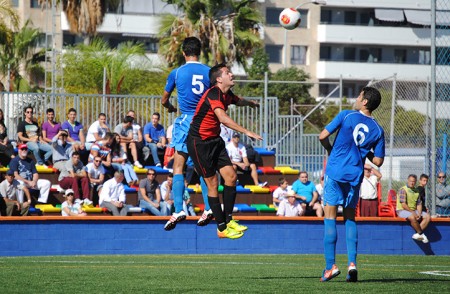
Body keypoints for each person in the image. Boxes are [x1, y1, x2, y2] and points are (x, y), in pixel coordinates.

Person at [187, 63, 262, 239]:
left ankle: (229, 220)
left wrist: (250, 103)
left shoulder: (227, 95)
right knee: (212, 183)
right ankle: (221, 228)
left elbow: (239, 101)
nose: (232, 74)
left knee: (231, 177)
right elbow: (223, 118)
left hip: (215, 140)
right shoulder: (213, 93)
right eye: (228, 72)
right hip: (199, 143)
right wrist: (246, 131)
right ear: (219, 79)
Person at [319, 86, 385, 282]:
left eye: (359, 95)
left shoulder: (346, 115)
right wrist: (364, 150)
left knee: (329, 218)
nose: (356, 98)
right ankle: (352, 264)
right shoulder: (378, 130)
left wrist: (329, 149)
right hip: (355, 176)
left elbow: (322, 136)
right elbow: (379, 161)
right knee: (350, 219)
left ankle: (330, 266)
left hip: (335, 172)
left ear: (364, 102)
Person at [161, 36, 213, 229]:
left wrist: (170, 107)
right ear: (200, 52)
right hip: (205, 123)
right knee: (203, 168)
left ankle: (178, 210)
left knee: (178, 166)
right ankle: (208, 208)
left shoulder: (177, 73)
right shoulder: (209, 72)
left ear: (183, 52)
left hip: (186, 121)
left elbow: (164, 100)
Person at [396, 174, 430, 243]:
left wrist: (419, 213)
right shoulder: (403, 190)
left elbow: (419, 204)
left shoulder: (416, 191)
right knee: (412, 217)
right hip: (402, 210)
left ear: (415, 182)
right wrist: (413, 212)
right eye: (410, 181)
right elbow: (403, 205)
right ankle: (421, 234)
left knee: (427, 216)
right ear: (408, 181)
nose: (412, 183)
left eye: (413, 181)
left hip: (413, 210)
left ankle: (417, 234)